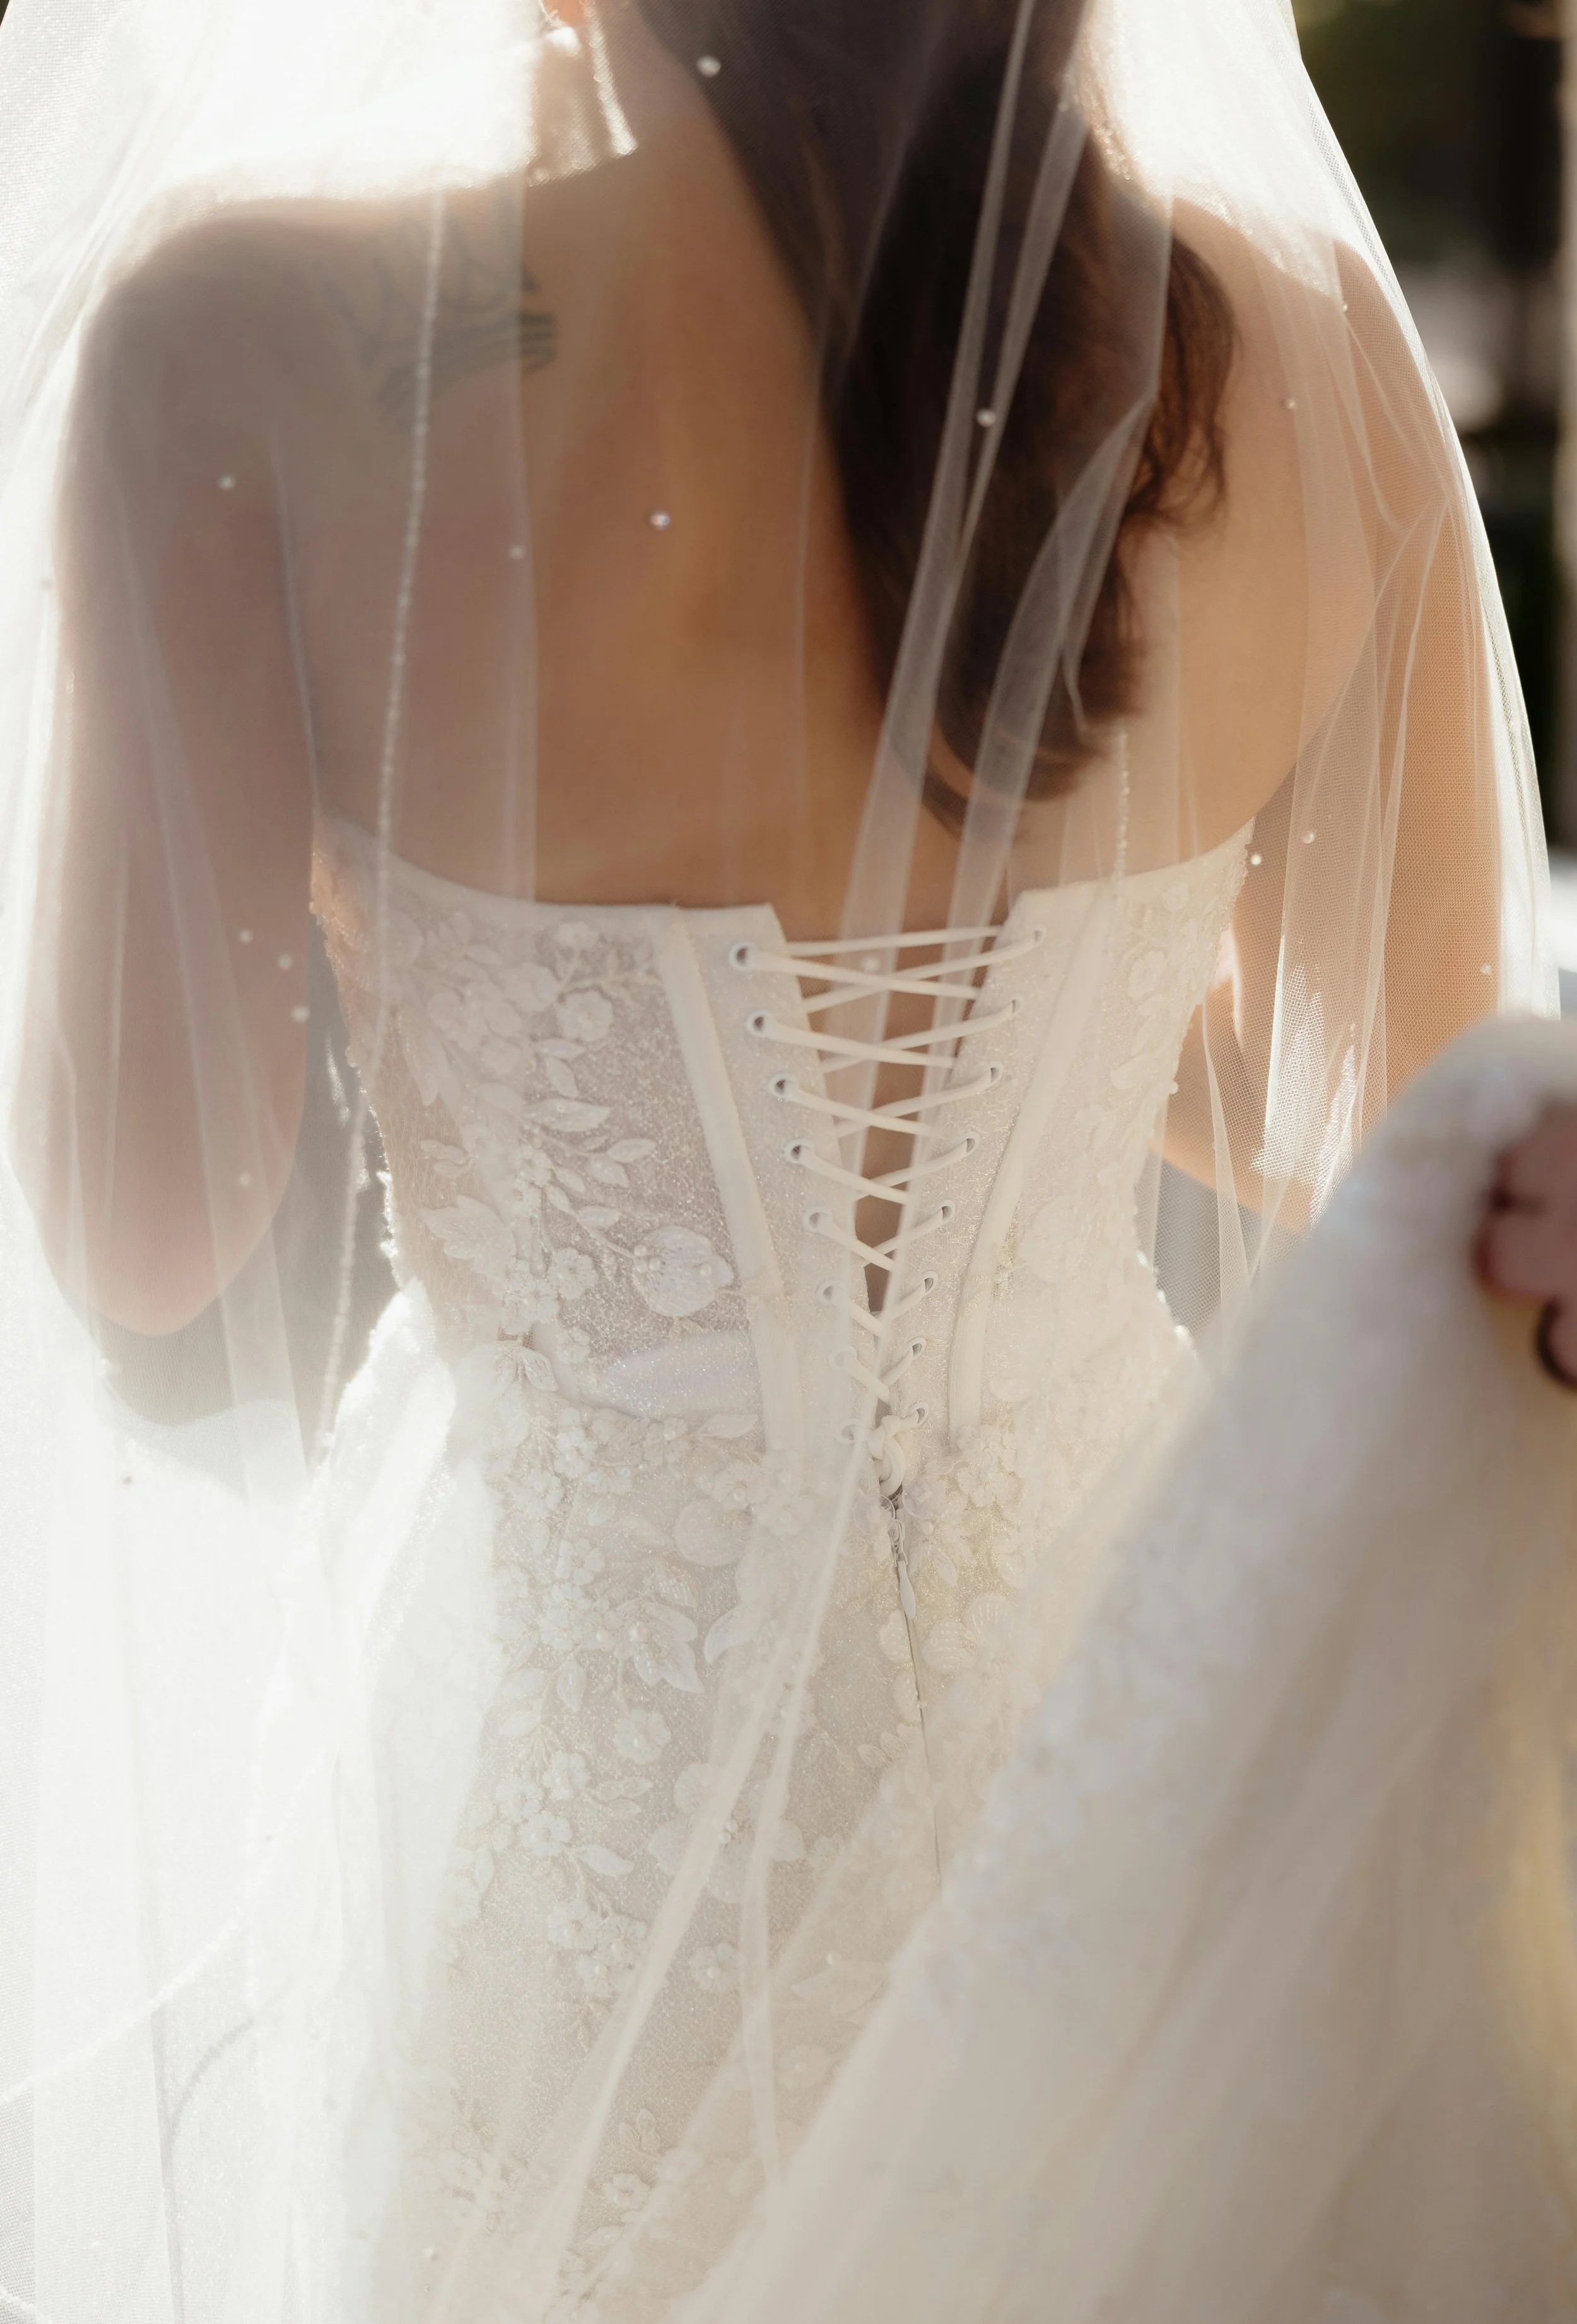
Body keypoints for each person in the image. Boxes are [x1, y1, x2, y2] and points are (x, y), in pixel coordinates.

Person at [0, 0, 1553, 2317]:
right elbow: (1404, 1126)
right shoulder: (1304, 354)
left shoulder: (247, 356)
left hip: (588, 1819)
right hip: (1151, 1750)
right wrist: (1069, 990)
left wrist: (371, 912)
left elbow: (148, 1228)